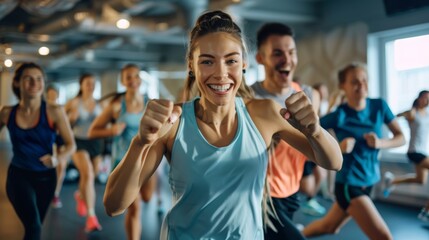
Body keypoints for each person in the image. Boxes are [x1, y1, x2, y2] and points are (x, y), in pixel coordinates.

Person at [103, 10, 342, 240]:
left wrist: (314, 130)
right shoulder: (173, 123)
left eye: (231, 61)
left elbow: (333, 162)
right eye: (207, 62)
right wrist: (141, 142)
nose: (221, 73)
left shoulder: (264, 114)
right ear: (191, 65)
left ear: (244, 63)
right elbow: (114, 206)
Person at [302, 63, 405, 240]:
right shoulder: (340, 115)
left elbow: (401, 137)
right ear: (343, 85)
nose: (361, 85)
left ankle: (295, 235)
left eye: (364, 80)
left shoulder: (379, 106)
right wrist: (337, 148)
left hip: (370, 181)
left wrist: (380, 142)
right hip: (349, 184)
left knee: (329, 226)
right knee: (384, 237)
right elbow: (308, 135)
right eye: (355, 81)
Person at [251, 22, 325, 239]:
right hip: (259, 194)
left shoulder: (309, 95)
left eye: (291, 52)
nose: (287, 59)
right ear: (260, 58)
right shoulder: (249, 98)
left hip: (290, 191)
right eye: (277, 53)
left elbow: (313, 143)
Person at [0, 62, 75, 240]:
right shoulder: (7, 113)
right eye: (29, 79)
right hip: (18, 176)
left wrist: (57, 159)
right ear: (17, 83)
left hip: (46, 179)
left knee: (34, 227)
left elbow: (71, 144)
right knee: (34, 226)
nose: (35, 83)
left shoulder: (54, 111)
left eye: (39, 79)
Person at [88, 64, 157, 240]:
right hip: (124, 161)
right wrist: (112, 130)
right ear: (123, 81)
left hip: (148, 159)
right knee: (135, 208)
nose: (133, 80)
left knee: (147, 197)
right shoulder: (117, 105)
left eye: (136, 76)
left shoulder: (151, 102)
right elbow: (93, 131)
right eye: (128, 77)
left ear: (140, 80)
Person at [63, 73, 104, 232]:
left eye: (93, 83)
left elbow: (107, 121)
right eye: (88, 83)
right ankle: (91, 217)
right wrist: (71, 118)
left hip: (96, 143)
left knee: (92, 176)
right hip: (79, 142)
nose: (91, 86)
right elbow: (61, 122)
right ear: (81, 85)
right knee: (87, 175)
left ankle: (80, 195)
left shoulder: (100, 103)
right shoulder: (73, 103)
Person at [383, 90, 429, 221]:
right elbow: (395, 116)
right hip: (414, 152)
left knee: (421, 180)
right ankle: (426, 211)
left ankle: (392, 181)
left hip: (423, 152)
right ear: (419, 98)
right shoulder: (412, 113)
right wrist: (404, 114)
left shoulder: (426, 114)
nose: (426, 101)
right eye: (425, 98)